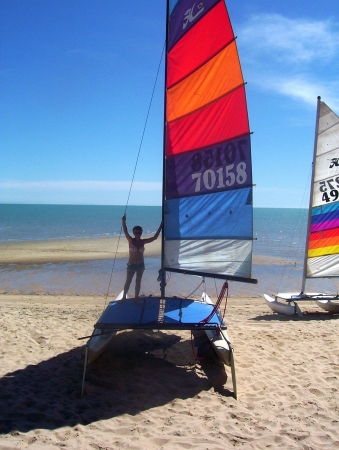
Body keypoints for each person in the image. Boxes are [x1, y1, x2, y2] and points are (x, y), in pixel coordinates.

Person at [122, 214, 162, 299]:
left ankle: (136, 298)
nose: (137, 234)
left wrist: (161, 226)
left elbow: (155, 237)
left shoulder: (143, 242)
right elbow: (125, 231)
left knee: (138, 282)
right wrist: (123, 221)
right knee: (128, 281)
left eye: (139, 232)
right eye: (136, 232)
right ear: (133, 233)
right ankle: (123, 298)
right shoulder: (130, 240)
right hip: (131, 264)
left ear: (141, 233)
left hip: (140, 265)